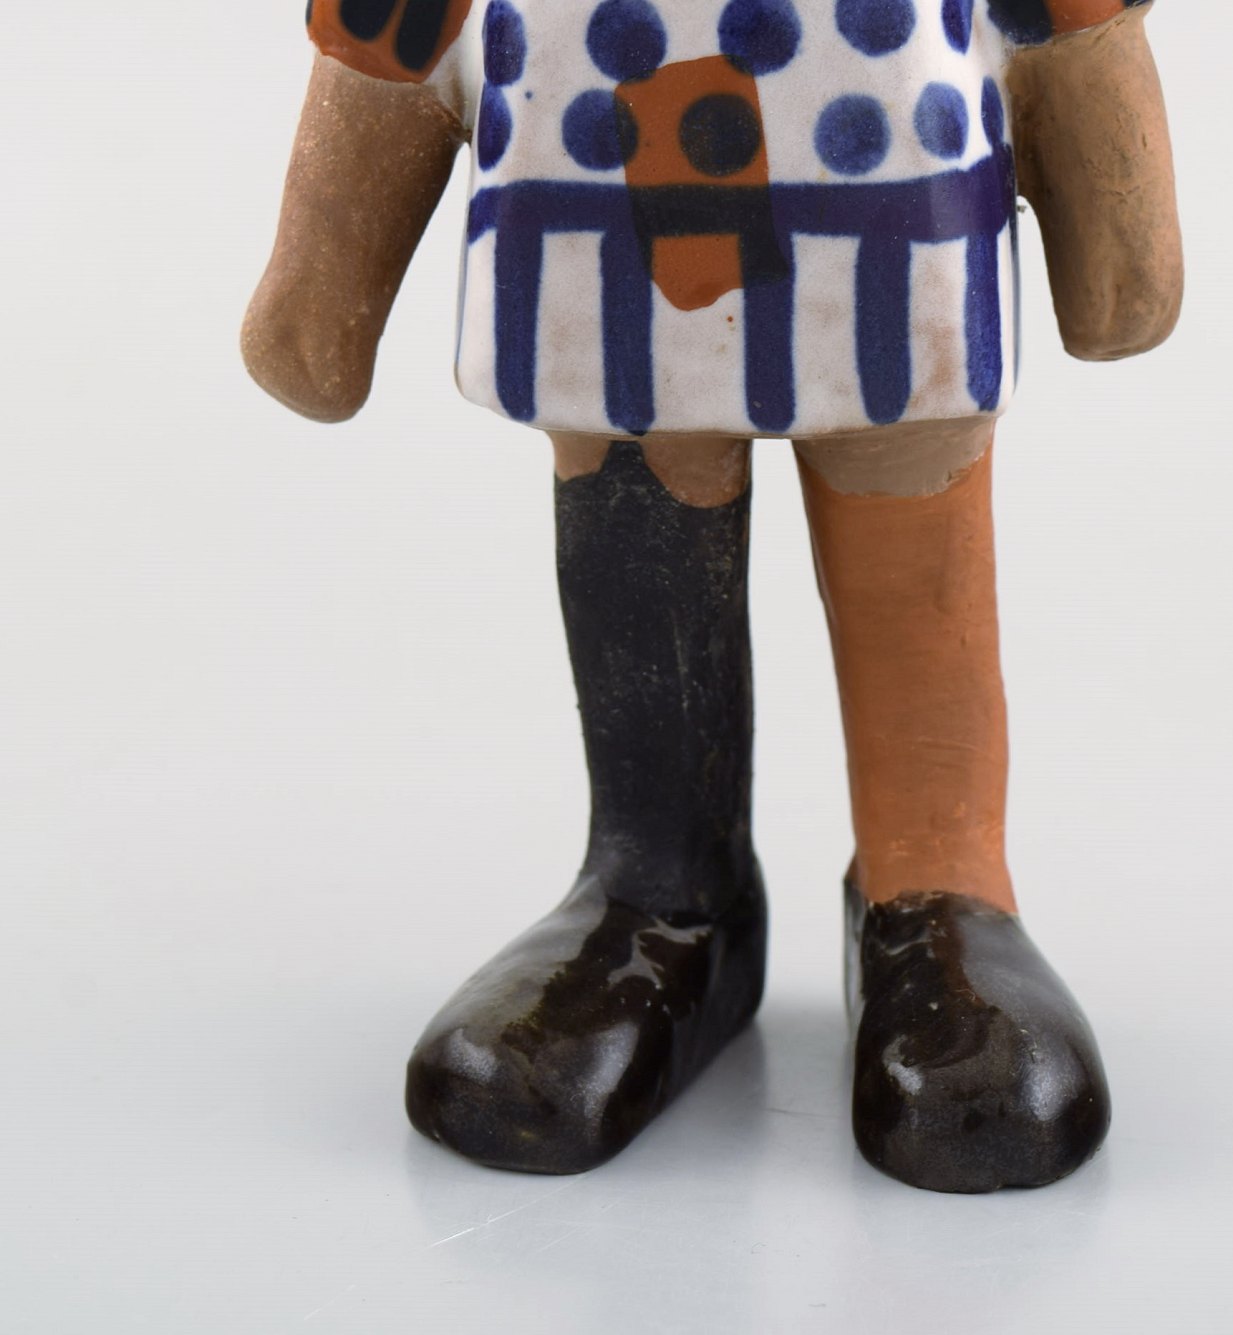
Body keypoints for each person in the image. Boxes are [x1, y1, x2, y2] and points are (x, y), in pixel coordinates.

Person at [244, 0, 1182, 1192]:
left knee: (907, 502)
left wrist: (1120, 225)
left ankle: (937, 889)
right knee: (640, 520)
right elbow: (396, 31)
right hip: (600, 208)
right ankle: (662, 895)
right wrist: (322, 278)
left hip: (890, 210)